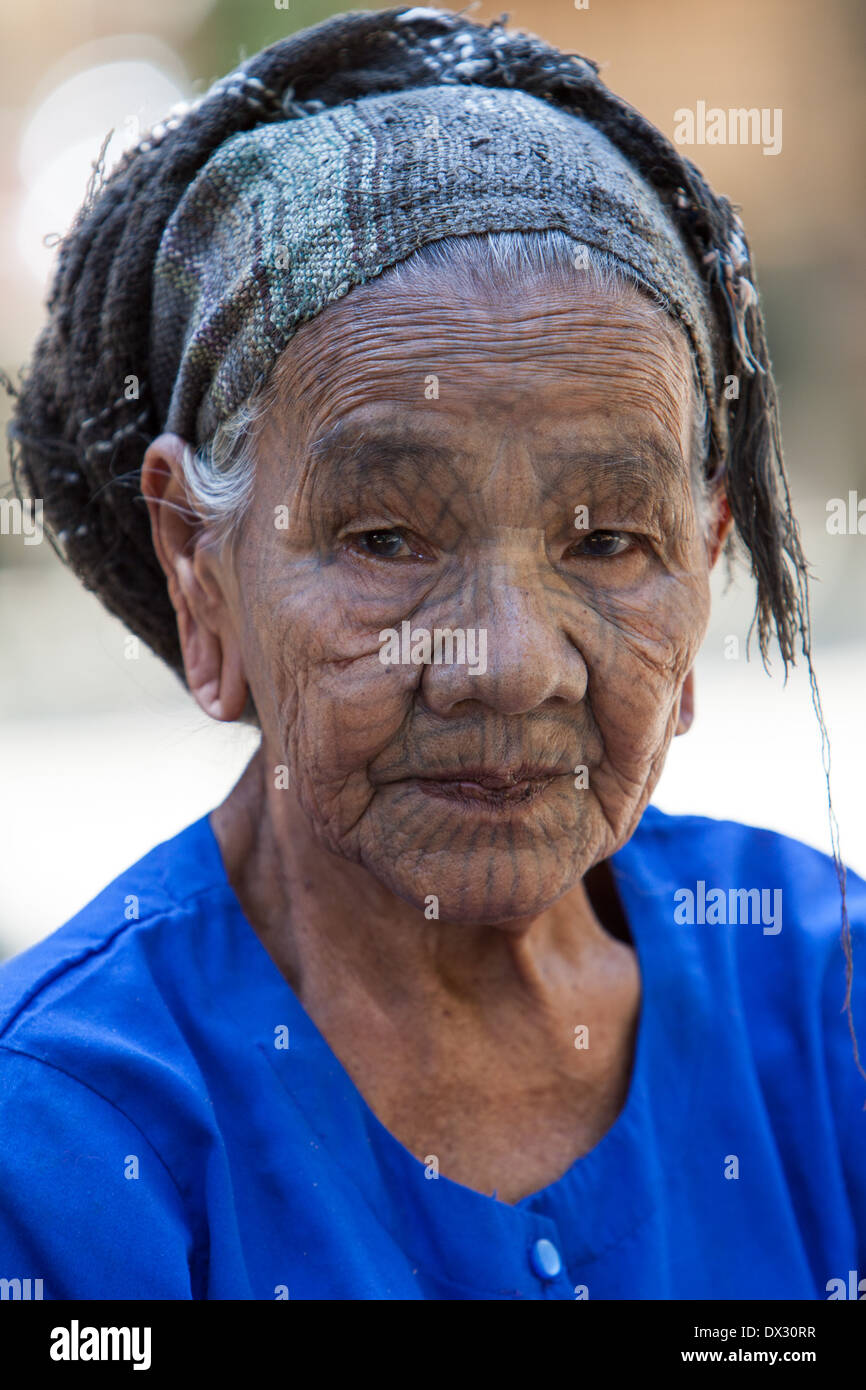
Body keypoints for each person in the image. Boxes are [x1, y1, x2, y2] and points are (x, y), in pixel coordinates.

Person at [1, 6, 863, 1301]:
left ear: (705, 556)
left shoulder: (823, 1000)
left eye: (611, 539)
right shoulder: (63, 1137)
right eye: (386, 534)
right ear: (200, 566)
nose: (508, 662)